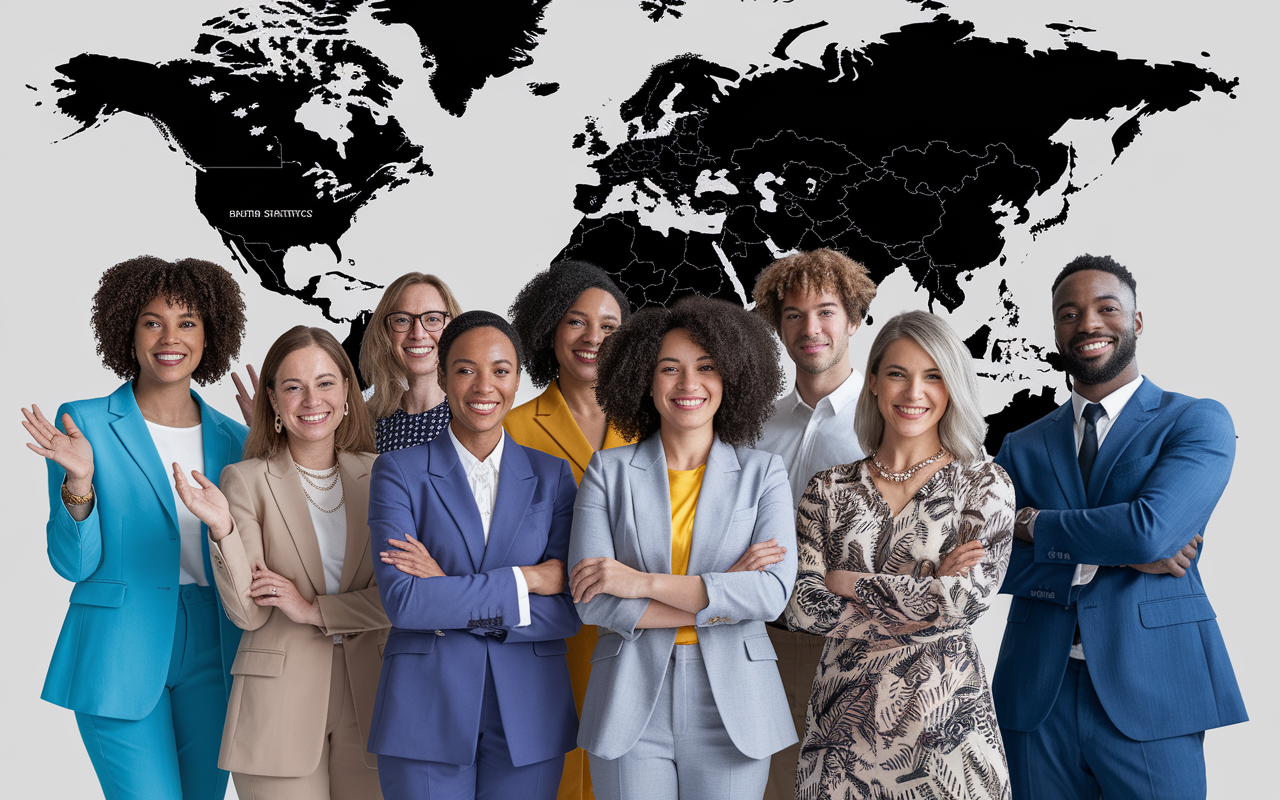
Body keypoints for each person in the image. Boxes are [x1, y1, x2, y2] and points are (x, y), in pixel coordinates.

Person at [992, 255, 1246, 800]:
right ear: (1057, 330)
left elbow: (1149, 532)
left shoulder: (1196, 421)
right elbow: (994, 561)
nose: (1088, 323)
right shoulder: (1022, 444)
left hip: (1154, 688)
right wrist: (1113, 549)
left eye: (1106, 308)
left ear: (1135, 321)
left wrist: (1033, 525)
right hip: (1038, 694)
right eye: (1069, 313)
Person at [21, 255, 249, 800]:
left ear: (210, 334)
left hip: (216, 646)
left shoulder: (236, 438)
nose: (170, 338)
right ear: (127, 328)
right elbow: (73, 564)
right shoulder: (85, 422)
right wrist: (79, 483)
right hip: (120, 645)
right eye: (153, 321)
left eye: (187, 322)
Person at [568, 295, 797, 800]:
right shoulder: (607, 473)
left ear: (731, 378)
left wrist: (639, 583)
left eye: (706, 367)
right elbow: (592, 602)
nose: (688, 384)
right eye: (669, 368)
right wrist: (721, 594)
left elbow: (770, 595)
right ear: (644, 381)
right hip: (629, 699)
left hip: (734, 702)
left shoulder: (763, 475)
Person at [785, 310, 1014, 799]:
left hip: (947, 731)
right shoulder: (828, 488)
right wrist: (929, 585)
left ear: (952, 385)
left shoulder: (984, 484)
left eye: (933, 376)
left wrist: (845, 582)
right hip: (840, 735)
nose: (914, 393)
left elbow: (964, 603)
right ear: (872, 382)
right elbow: (801, 607)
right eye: (897, 374)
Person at [366, 311, 582, 800]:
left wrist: (445, 586)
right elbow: (405, 603)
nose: (485, 386)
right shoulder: (398, 472)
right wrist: (527, 579)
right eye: (465, 369)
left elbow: (571, 606)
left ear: (518, 379)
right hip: (426, 708)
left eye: (501, 370)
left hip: (530, 712)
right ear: (441, 376)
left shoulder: (553, 479)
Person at [171, 326, 389, 799]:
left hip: (373, 699)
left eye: (326, 383)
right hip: (277, 706)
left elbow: (399, 600)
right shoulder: (245, 481)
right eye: (293, 386)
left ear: (348, 395)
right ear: (272, 400)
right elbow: (248, 613)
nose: (312, 399)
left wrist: (313, 609)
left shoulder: (384, 476)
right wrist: (224, 529)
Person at [748, 248, 877, 799]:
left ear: (853, 318)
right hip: (765, 640)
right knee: (775, 788)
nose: (811, 328)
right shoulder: (755, 424)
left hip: (856, 644)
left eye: (826, 311)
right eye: (794, 314)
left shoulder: (886, 419)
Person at [505, 259, 632, 800]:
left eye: (608, 326)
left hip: (633, 632)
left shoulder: (655, 425)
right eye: (577, 322)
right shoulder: (511, 427)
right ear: (550, 328)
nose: (592, 338)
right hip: (545, 634)